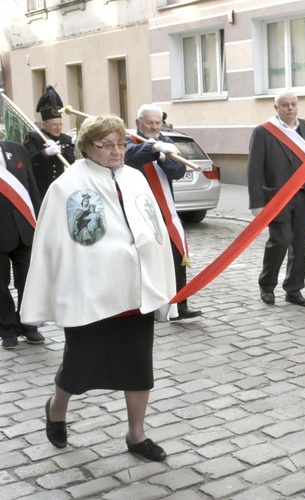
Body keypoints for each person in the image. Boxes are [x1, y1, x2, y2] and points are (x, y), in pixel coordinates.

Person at [20, 115, 176, 461]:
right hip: (91, 294)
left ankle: (136, 435)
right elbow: (60, 243)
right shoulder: (69, 185)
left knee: (139, 369)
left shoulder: (135, 178)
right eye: (106, 144)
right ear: (87, 147)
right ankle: (56, 409)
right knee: (79, 368)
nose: (116, 150)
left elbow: (153, 225)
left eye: (121, 143)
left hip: (135, 293)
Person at [247, 90, 305, 307]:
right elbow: (254, 170)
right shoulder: (263, 132)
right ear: (276, 108)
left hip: (304, 196)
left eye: (293, 104)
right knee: (280, 240)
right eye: (285, 105)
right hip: (277, 198)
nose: (290, 108)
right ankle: (267, 286)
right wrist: (256, 203)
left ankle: (294, 289)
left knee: (301, 244)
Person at [125, 103, 201, 321]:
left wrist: (165, 156)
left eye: (158, 122)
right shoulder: (129, 139)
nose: (154, 126)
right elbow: (130, 157)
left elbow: (178, 172)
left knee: (177, 256)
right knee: (146, 259)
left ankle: (179, 304)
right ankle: (147, 305)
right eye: (149, 122)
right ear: (139, 123)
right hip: (141, 210)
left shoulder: (166, 141)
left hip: (166, 211)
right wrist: (152, 148)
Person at [0, 140, 45, 349]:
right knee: (1, 286)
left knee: (27, 280)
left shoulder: (16, 149)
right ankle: (7, 328)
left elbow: (31, 187)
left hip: (24, 229)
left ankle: (29, 325)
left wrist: (39, 221)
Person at [24, 86, 76, 198]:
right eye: (54, 125)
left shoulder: (66, 139)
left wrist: (63, 150)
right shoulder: (34, 137)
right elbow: (29, 160)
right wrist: (45, 152)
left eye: (60, 124)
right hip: (40, 187)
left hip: (61, 187)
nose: (58, 128)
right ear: (44, 125)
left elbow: (71, 162)